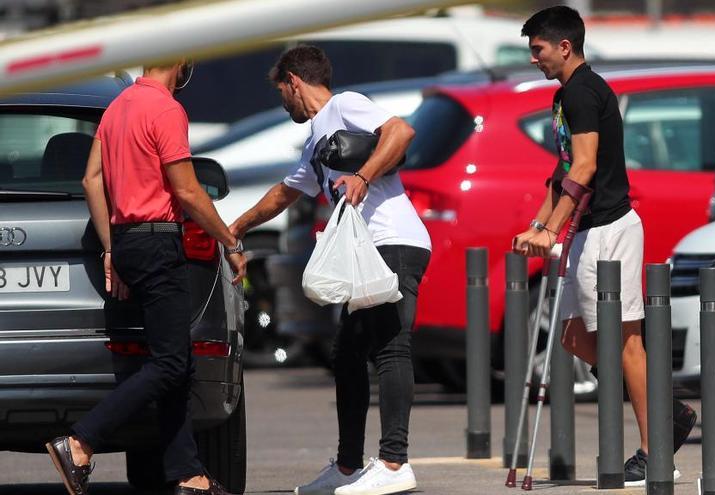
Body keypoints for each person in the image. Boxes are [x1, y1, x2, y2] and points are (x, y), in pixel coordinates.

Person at [229, 45, 430, 495]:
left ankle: (395, 464)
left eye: (282, 91)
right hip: (371, 252)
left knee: (390, 348)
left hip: (394, 242)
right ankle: (347, 467)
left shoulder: (344, 104)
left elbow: (401, 130)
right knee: (346, 353)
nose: (283, 102)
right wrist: (235, 227)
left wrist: (362, 177)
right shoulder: (316, 137)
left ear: (294, 83)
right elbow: (285, 193)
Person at [513, 6, 697, 486]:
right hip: (587, 231)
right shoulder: (565, 96)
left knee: (625, 341)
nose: (534, 59)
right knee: (575, 338)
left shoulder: (582, 93)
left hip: (611, 228)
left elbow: (587, 165)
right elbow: (563, 171)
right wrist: (538, 223)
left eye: (538, 49)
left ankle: (656, 452)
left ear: (564, 47)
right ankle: (667, 409)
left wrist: (549, 232)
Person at [47, 60, 247, 495]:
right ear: (179, 62)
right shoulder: (166, 109)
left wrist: (110, 248)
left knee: (177, 362)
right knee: (172, 363)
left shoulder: (117, 107)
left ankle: (188, 473)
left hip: (129, 243)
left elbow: (91, 179)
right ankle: (80, 441)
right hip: (159, 244)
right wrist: (229, 242)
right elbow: (188, 190)